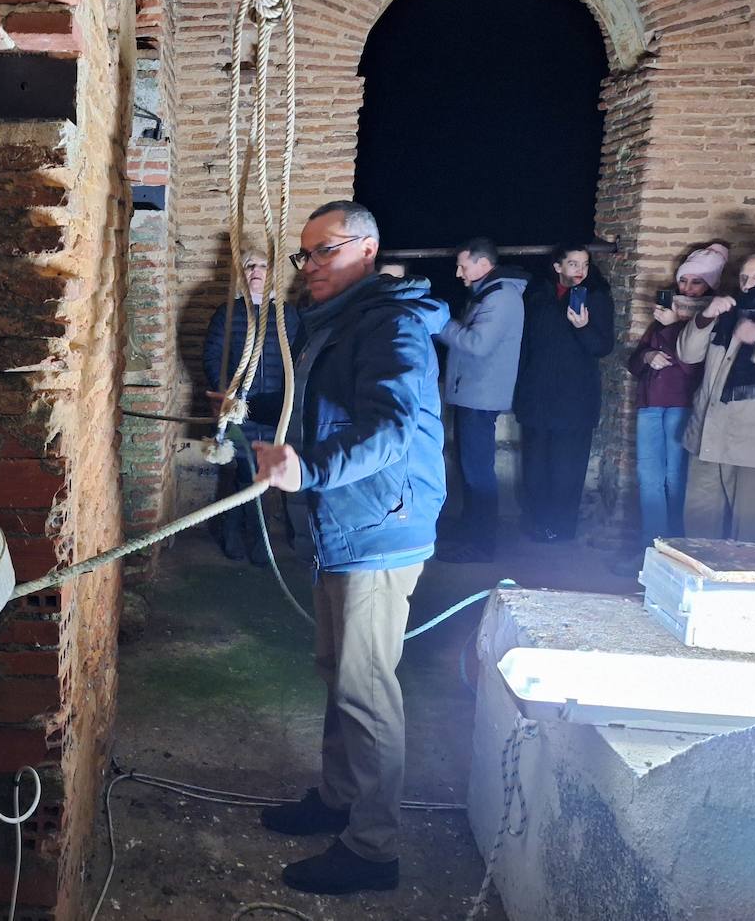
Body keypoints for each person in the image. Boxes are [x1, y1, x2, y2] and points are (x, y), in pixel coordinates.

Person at [250, 200, 448, 897]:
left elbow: (390, 427)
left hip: (379, 526)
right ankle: (338, 799)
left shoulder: (390, 322)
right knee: (339, 668)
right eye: (304, 255)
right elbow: (323, 410)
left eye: (322, 251)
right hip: (347, 523)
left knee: (365, 685)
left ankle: (372, 847)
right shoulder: (339, 321)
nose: (308, 268)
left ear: (366, 248)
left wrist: (311, 470)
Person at [677, 252, 755, 549]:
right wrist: (706, 316)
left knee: (748, 526)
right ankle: (696, 584)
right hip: (710, 431)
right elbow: (688, 354)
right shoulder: (729, 309)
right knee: (699, 519)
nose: (748, 284)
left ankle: (738, 589)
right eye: (744, 277)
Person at [433, 237, 528, 563]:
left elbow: (476, 344)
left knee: (478, 471)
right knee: (470, 467)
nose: (458, 272)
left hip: (481, 396)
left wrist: (440, 324)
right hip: (473, 392)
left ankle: (481, 544)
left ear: (483, 265)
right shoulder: (489, 293)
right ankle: (470, 532)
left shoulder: (500, 298)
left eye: (463, 265)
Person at [202, 248, 302, 563]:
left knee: (265, 477)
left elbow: (297, 360)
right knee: (245, 473)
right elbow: (213, 357)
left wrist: (290, 403)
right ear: (241, 274)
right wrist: (227, 396)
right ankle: (237, 537)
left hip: (275, 411)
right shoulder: (227, 314)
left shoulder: (288, 315)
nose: (256, 271)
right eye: (249, 266)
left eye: (262, 265)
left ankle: (258, 542)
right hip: (240, 410)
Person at [512, 243, 615, 541]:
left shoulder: (596, 297)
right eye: (573, 264)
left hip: (575, 401)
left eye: (584, 264)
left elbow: (602, 347)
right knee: (535, 466)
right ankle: (536, 524)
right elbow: (526, 346)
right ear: (557, 267)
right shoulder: (537, 295)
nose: (580, 271)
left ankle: (561, 530)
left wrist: (582, 327)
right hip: (537, 396)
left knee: (567, 469)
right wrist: (520, 389)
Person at [626, 243, 727, 544]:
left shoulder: (713, 316)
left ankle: (678, 546)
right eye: (684, 280)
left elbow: (695, 364)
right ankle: (651, 545)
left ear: (711, 284)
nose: (688, 287)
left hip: (682, 403)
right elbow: (635, 360)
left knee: (677, 479)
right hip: (650, 404)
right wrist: (646, 358)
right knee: (649, 479)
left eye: (697, 281)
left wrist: (673, 327)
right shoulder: (668, 310)